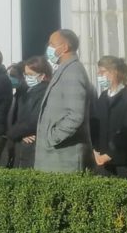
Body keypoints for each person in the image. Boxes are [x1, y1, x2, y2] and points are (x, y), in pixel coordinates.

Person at [35, 29, 94, 173]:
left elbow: (75, 115)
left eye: (52, 44)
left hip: (64, 157)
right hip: (55, 157)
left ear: (65, 47)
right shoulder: (64, 69)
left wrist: (53, 137)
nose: (49, 47)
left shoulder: (73, 71)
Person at [91, 55, 127, 178]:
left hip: (122, 164)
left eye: (102, 72)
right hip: (102, 163)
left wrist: (111, 154)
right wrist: (95, 150)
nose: (99, 76)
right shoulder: (103, 97)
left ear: (115, 72)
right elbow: (96, 125)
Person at [8, 56, 51, 169]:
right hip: (24, 141)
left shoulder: (43, 92)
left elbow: (33, 121)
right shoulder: (28, 91)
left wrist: (14, 133)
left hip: (34, 145)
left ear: (42, 75)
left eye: (31, 75)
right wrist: (21, 134)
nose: (27, 78)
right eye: (26, 75)